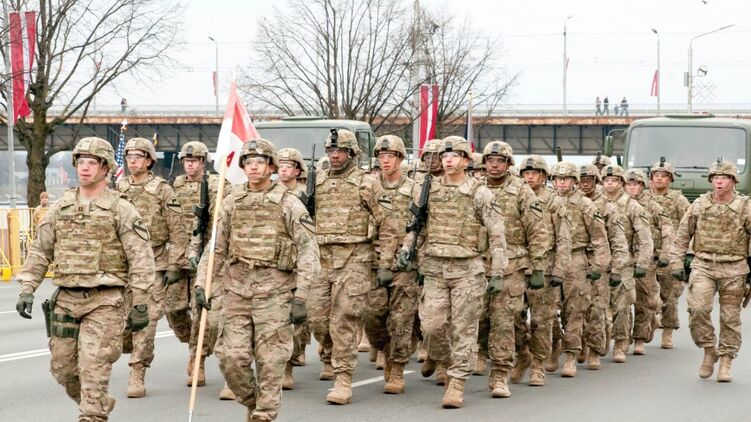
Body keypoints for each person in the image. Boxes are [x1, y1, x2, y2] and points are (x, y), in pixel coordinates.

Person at [15, 137, 154, 422]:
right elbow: (40, 250)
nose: (85, 168)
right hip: (66, 301)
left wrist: (140, 303)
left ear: (105, 168)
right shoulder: (61, 208)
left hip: (105, 302)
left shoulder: (121, 209)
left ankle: (93, 411)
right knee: (63, 370)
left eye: (92, 162)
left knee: (93, 369)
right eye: (81, 162)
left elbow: (141, 258)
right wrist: (27, 288)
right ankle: (98, 402)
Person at [195, 138, 320, 420]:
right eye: (248, 162)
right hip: (237, 291)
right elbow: (216, 248)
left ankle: (264, 414)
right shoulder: (232, 201)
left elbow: (308, 251)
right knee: (231, 359)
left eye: (260, 162)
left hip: (275, 294)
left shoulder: (289, 203)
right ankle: (255, 403)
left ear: (271, 167)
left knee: (270, 361)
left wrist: (301, 296)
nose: (253, 167)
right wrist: (203, 283)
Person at [398, 136, 508, 408]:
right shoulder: (428, 190)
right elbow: (416, 226)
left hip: (467, 270)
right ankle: (443, 360)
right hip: (435, 268)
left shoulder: (479, 192)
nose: (448, 160)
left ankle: (457, 382)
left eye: (454, 156)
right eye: (445, 156)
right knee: (431, 327)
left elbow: (497, 233)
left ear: (466, 161)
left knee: (464, 329)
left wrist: (497, 271)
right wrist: (407, 248)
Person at [308, 128, 392, 405]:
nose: (335, 155)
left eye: (341, 151)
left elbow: (388, 224)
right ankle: (329, 353)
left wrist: (385, 262)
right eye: (331, 150)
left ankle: (343, 378)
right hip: (322, 257)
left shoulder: (367, 183)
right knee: (317, 318)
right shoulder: (317, 182)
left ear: (352, 153)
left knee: (344, 317)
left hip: (355, 257)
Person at [476, 141, 549, 396]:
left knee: (503, 320)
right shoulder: (476, 188)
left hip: (512, 265)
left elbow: (538, 231)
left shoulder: (521, 191)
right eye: (490, 160)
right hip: (478, 264)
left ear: (508, 164)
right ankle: (521, 353)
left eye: (500, 161)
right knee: (481, 320)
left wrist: (538, 267)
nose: (494, 165)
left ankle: (499, 375)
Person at [117, 137, 187, 398]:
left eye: (138, 157)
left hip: (154, 262)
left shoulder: (162, 190)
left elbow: (177, 229)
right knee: (122, 322)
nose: (132, 161)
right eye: (129, 156)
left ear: (149, 161)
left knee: (144, 319)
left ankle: (137, 371)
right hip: (123, 264)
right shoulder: (120, 187)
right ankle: (130, 349)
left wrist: (175, 263)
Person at [670, 159, 751, 383]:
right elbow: (682, 235)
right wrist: (676, 263)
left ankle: (726, 360)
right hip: (703, 264)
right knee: (697, 309)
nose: (719, 182)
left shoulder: (745, 206)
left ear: (733, 181)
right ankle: (708, 349)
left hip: (734, 268)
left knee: (730, 318)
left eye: (724, 178)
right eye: (715, 178)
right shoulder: (699, 204)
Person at [166, 141, 233, 399]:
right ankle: (194, 344)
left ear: (203, 162)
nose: (190, 164)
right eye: (186, 160)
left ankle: (198, 359)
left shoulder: (218, 185)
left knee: (201, 312)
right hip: (178, 254)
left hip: (207, 255)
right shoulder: (175, 187)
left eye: (194, 160)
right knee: (174, 310)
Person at [362, 135, 420, 395]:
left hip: (403, 263)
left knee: (401, 318)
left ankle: (397, 368)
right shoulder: (369, 187)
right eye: (381, 156)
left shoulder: (414, 189)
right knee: (372, 316)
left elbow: (417, 225)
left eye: (390, 156)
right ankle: (384, 347)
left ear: (400, 158)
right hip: (374, 260)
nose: (385, 161)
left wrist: (407, 249)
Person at [550, 161, 610, 377]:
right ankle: (554, 344)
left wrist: (598, 265)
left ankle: (570, 354)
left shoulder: (585, 205)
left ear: (573, 181)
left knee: (575, 310)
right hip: (550, 259)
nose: (562, 183)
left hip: (575, 259)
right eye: (558, 179)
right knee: (547, 310)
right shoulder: (547, 201)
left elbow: (600, 238)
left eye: (566, 179)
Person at [518, 156, 572, 375]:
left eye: (534, 173)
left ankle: (538, 365)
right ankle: (523, 354)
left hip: (544, 268)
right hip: (516, 267)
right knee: (512, 317)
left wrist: (559, 269)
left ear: (543, 176)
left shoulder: (554, 202)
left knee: (541, 319)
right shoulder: (515, 196)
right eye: (526, 173)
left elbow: (564, 239)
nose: (530, 177)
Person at [599, 164, 653, 363]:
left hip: (624, 261)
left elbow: (645, 237)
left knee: (621, 304)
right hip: (599, 261)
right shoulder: (597, 203)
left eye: (613, 180)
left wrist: (642, 263)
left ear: (620, 183)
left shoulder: (632, 206)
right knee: (599, 304)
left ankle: (620, 343)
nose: (609, 184)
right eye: (606, 180)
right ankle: (598, 341)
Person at [579, 164, 629, 370]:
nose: (584, 184)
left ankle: (594, 350)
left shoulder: (608, 207)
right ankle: (578, 344)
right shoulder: (569, 203)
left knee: (597, 309)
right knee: (574, 308)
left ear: (595, 182)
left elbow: (618, 240)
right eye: (581, 180)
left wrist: (617, 268)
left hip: (600, 261)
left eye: (588, 180)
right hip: (574, 261)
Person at [624, 168, 674, 355]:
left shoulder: (653, 206)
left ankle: (639, 338)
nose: (631, 188)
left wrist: (665, 254)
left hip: (646, 258)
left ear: (642, 185)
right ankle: (623, 336)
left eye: (635, 184)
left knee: (644, 300)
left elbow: (667, 230)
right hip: (623, 258)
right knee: (623, 300)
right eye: (628, 184)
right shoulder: (619, 204)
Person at [277, 147, 312, 389]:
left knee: (299, 317)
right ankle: (285, 367)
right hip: (279, 262)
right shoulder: (272, 193)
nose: (284, 170)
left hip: (302, 260)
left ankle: (296, 352)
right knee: (280, 319)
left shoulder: (305, 195)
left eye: (289, 166)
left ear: (298, 170)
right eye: (280, 165)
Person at [649, 158, 691, 349]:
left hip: (670, 254)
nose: (659, 179)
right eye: (656, 175)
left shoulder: (678, 200)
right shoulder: (644, 198)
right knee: (646, 295)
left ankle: (668, 331)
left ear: (670, 179)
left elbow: (689, 225)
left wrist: (687, 253)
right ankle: (649, 322)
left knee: (670, 295)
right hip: (647, 253)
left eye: (663, 176)